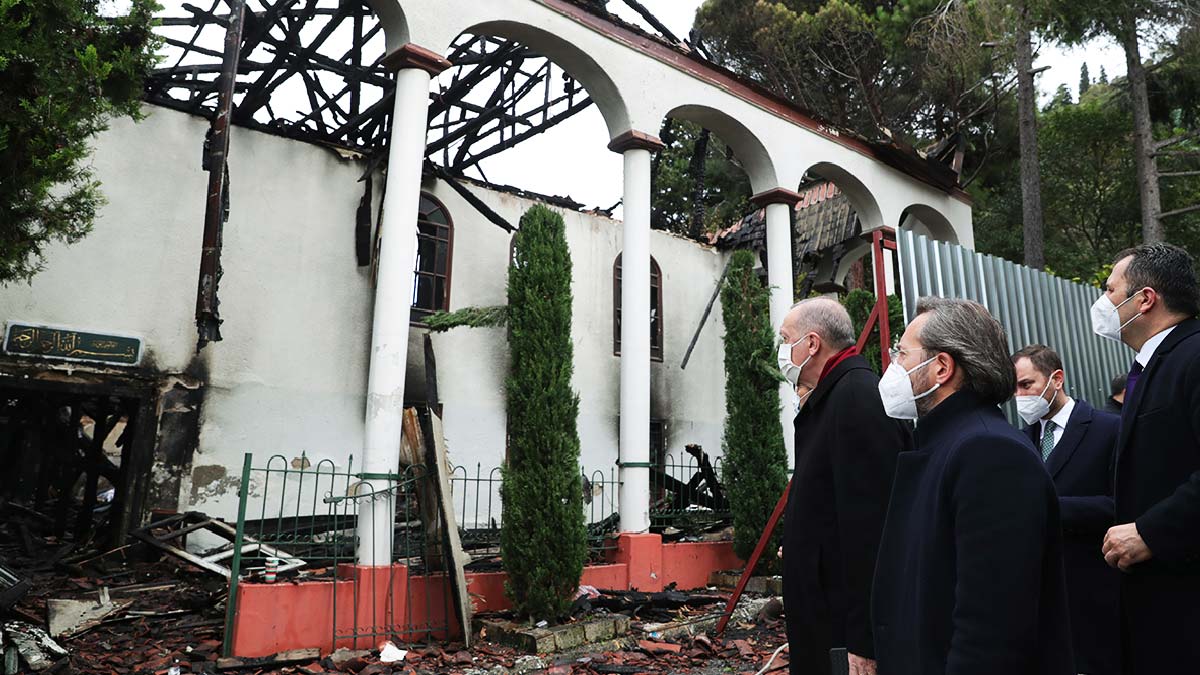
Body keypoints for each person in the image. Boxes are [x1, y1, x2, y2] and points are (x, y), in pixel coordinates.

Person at [870, 297, 1073, 675]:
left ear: (942, 367)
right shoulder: (945, 443)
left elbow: (992, 630)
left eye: (902, 353)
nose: (893, 366)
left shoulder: (989, 452)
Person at [777, 298, 910, 675]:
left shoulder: (856, 398)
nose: (782, 351)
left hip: (841, 624)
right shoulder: (834, 396)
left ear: (813, 344)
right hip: (823, 609)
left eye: (786, 339)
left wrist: (864, 639)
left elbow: (872, 529)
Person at [1093, 243, 1200, 674]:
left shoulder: (1192, 356)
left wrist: (1151, 531)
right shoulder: (1156, 363)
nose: (1103, 303)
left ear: (1145, 299)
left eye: (1110, 289)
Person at [1013, 344, 1120, 674]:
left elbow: (1123, 505)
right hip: (1038, 601)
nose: (1019, 396)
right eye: (1013, 388)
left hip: (1093, 597)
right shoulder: (1018, 439)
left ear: (1056, 379)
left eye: (1026, 385)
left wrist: (1050, 510)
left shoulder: (1108, 429)